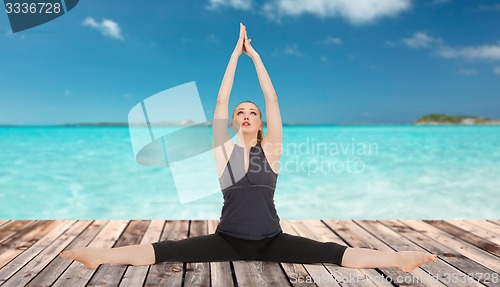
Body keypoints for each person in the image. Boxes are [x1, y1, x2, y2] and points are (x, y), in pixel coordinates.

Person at [60, 23, 438, 273]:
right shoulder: (223, 152)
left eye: (251, 112)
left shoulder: (271, 151)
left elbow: (273, 100)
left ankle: (397, 259)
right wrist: (233, 55)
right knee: (165, 249)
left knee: (331, 252)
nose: (244, 115)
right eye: (241, 112)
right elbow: (221, 102)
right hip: (227, 239)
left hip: (271, 240)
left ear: (260, 123)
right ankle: (100, 257)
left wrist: (254, 56)